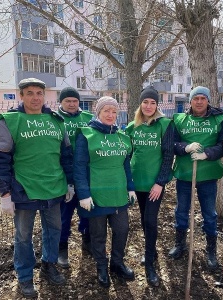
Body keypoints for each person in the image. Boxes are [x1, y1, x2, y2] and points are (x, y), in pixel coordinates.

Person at [0, 78, 73, 298]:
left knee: (53, 231)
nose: (35, 97)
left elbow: (66, 155)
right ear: (21, 95)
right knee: (23, 236)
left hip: (54, 188)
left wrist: (70, 182)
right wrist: (5, 193)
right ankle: (25, 276)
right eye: (29, 93)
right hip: (24, 189)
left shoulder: (56, 121)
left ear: (44, 95)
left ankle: (49, 265)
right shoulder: (10, 121)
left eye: (39, 93)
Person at [73, 96, 136, 288]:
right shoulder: (87, 134)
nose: (110, 115)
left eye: (114, 111)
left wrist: (131, 188)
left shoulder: (122, 136)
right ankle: (101, 266)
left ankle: (117, 263)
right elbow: (79, 166)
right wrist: (83, 193)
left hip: (118, 193)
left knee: (122, 230)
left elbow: (126, 165)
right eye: (106, 111)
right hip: (95, 195)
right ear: (98, 112)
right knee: (98, 234)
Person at [169, 86, 223, 271]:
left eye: (203, 98)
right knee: (181, 210)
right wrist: (185, 147)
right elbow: (172, 144)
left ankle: (211, 250)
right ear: (190, 101)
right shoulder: (179, 119)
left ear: (208, 100)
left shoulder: (219, 119)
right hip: (185, 173)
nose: (200, 101)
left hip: (208, 174)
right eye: (196, 98)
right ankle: (180, 244)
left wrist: (207, 154)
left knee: (209, 213)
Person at [125, 86, 174, 287]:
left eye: (153, 102)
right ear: (140, 104)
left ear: (157, 105)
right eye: (145, 102)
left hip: (155, 184)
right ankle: (151, 251)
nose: (148, 106)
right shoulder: (131, 126)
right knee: (144, 219)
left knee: (150, 220)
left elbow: (168, 155)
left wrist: (160, 182)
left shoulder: (165, 124)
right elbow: (127, 154)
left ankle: (150, 266)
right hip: (137, 182)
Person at [57, 87, 94, 269]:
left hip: (85, 176)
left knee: (87, 212)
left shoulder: (88, 118)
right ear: (61, 102)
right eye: (67, 101)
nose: (71, 104)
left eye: (74, 100)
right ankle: (61, 247)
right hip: (63, 174)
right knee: (64, 215)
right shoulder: (55, 119)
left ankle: (87, 240)